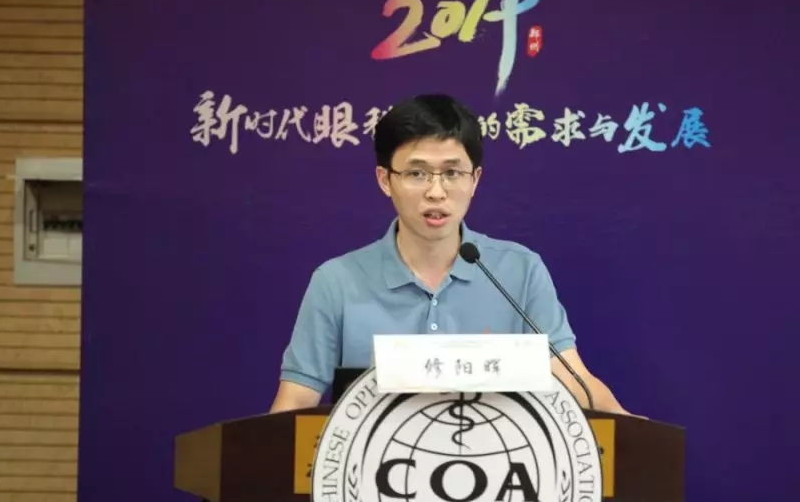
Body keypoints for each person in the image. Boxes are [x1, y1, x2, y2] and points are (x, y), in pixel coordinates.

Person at [269, 93, 630, 415]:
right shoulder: (336, 281)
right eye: (417, 173)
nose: (436, 192)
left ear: (475, 180)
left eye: (452, 173)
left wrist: (635, 436)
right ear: (385, 180)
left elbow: (575, 381)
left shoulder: (520, 271)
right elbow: (295, 402)